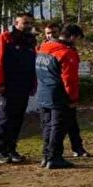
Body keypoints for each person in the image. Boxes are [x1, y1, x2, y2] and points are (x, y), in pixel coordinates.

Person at [0, 12, 38, 164]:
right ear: (16, 23)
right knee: (5, 119)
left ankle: (11, 149)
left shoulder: (30, 41)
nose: (27, 26)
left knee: (17, 118)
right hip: (7, 86)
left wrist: (33, 84)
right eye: (24, 23)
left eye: (30, 23)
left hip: (23, 86)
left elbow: (33, 64)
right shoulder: (4, 38)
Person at [35, 24, 83, 170]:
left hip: (43, 91)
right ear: (73, 37)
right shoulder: (66, 53)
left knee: (47, 126)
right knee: (58, 126)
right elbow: (70, 79)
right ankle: (54, 157)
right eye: (79, 39)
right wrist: (73, 99)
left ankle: (46, 156)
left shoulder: (44, 48)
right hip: (58, 93)